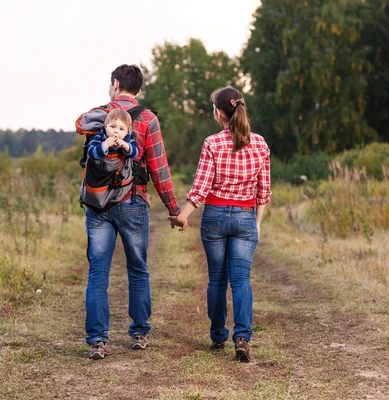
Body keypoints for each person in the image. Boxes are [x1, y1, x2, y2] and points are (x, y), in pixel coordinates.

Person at [83, 64, 181, 360]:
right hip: (133, 201)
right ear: (138, 89)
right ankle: (139, 332)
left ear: (115, 84)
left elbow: (89, 159)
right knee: (137, 268)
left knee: (98, 271)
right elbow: (159, 167)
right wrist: (173, 208)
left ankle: (98, 339)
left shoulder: (98, 115)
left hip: (98, 203)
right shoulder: (148, 119)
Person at [169, 86, 271, 362]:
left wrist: (183, 214)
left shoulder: (212, 143)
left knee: (217, 279)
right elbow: (264, 192)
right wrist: (257, 223)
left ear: (218, 113)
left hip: (214, 216)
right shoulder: (260, 144)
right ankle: (242, 337)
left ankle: (217, 335)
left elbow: (200, 189)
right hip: (245, 216)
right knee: (241, 280)